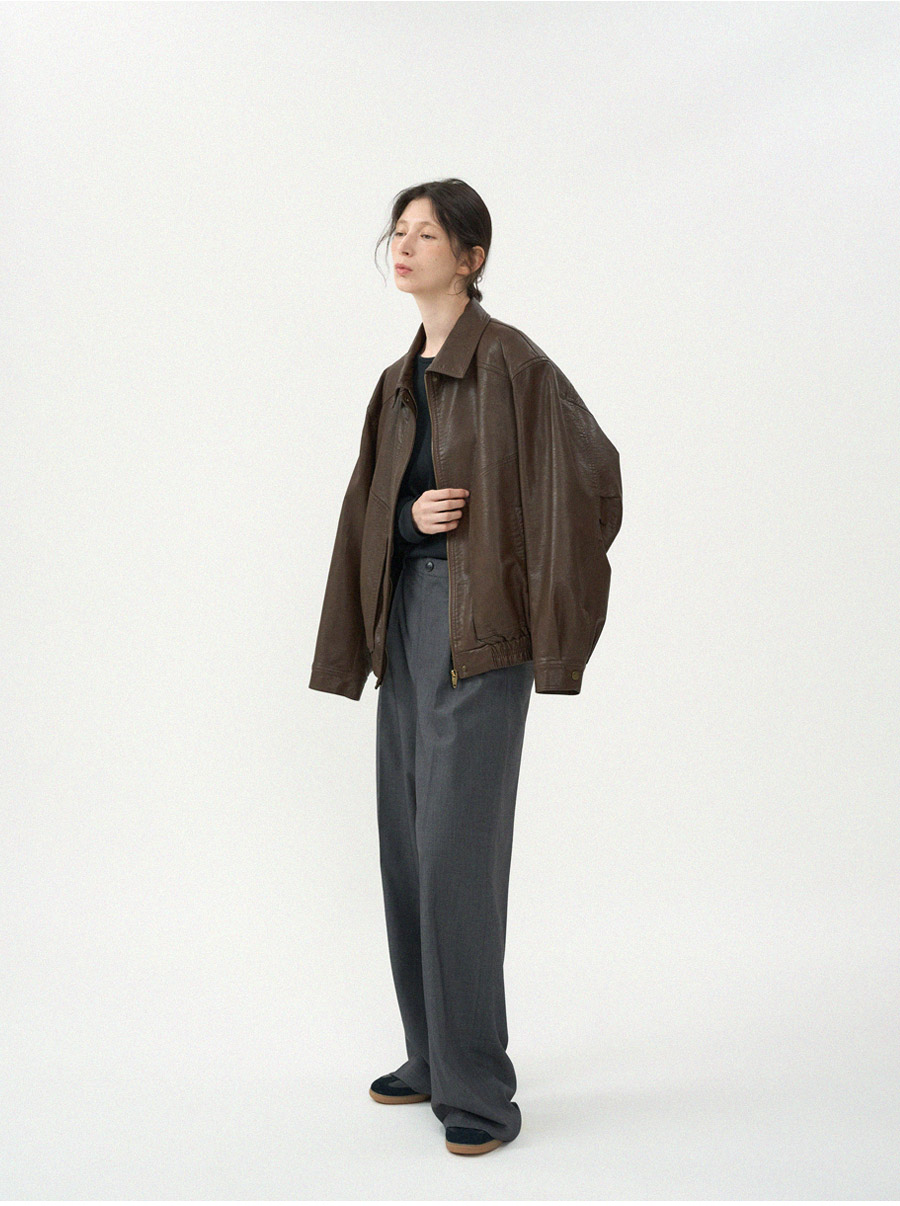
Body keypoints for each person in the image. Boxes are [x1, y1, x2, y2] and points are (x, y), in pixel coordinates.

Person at [309, 178, 623, 1155]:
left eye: (426, 234)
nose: (403, 247)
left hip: (480, 633)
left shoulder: (512, 365)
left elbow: (591, 482)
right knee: (408, 847)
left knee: (456, 860)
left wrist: (529, 594)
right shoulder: (398, 379)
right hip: (406, 620)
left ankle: (479, 1093)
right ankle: (431, 1055)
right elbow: (370, 508)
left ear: (471, 257)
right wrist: (411, 522)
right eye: (397, 233)